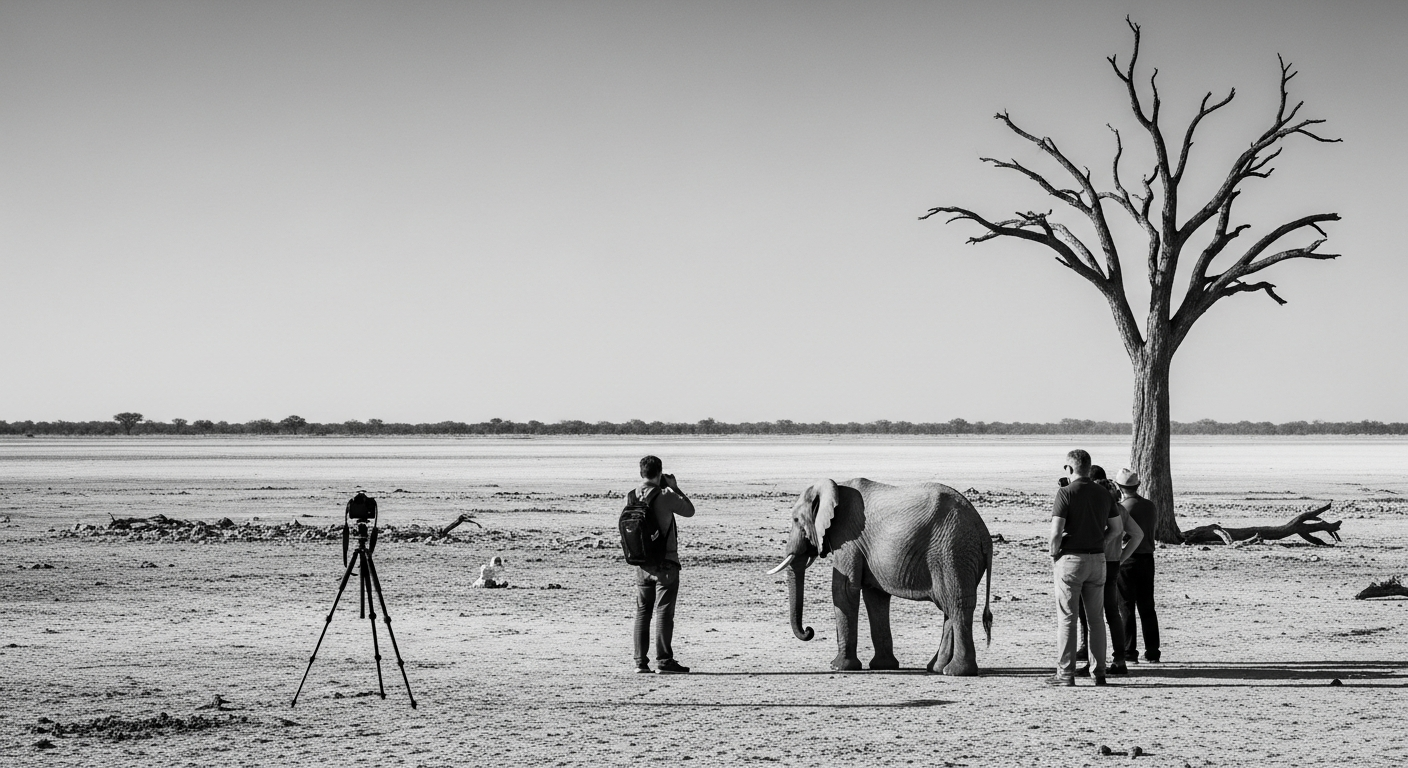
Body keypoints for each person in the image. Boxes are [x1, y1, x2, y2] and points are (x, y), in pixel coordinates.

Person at [1048, 449, 1123, 686]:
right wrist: (1101, 541)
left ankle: (1065, 674)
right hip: (1098, 560)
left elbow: (1056, 532)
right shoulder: (1104, 493)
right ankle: (1098, 672)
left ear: (1070, 469)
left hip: (1071, 559)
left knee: (1068, 618)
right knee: (1096, 619)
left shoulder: (1065, 493)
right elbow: (1117, 529)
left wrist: (1054, 554)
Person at [626, 455, 696, 674]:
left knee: (642, 611)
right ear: (659, 472)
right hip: (666, 563)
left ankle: (640, 662)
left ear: (641, 473)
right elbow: (689, 510)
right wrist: (675, 487)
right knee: (664, 611)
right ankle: (664, 661)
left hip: (641, 563)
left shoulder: (630, 496)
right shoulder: (665, 495)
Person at [1075, 465, 1143, 675]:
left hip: (1095, 562)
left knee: (1089, 615)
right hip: (1114, 564)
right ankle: (1119, 660)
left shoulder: (1098, 509)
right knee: (1112, 612)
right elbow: (1138, 535)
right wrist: (1122, 557)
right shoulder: (1120, 509)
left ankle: (1093, 661)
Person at [1115, 468, 1161, 663]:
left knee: (1126, 606)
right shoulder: (1150, 506)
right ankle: (1152, 651)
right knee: (1147, 607)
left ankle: (1129, 651)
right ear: (1137, 485)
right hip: (1147, 558)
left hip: (1127, 559)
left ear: (1119, 487)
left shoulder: (1122, 508)